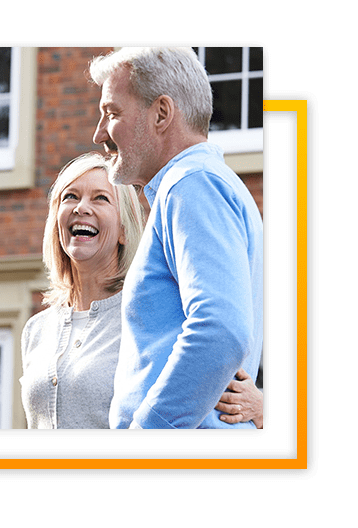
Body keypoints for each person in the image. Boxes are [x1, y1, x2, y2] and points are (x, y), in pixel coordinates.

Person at [20, 153, 263, 428]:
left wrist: (263, 406)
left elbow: (216, 363)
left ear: (124, 230)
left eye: (100, 198)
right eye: (70, 197)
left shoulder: (153, 316)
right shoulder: (35, 330)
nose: (81, 208)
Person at [89, 47, 264, 429]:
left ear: (162, 114)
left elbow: (220, 329)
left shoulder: (191, 185)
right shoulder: (201, 184)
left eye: (112, 113)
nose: (99, 134)